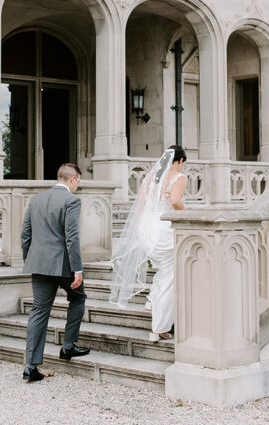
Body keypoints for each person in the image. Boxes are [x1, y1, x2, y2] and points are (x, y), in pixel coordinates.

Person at [20, 162, 90, 382]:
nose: (77, 186)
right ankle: (68, 346)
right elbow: (72, 237)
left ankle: (30, 366)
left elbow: (25, 235)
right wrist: (77, 269)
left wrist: (31, 260)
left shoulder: (36, 200)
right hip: (63, 265)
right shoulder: (71, 200)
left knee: (39, 310)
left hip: (39, 263)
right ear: (72, 180)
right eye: (78, 181)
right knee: (78, 298)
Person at [109, 145, 188, 340]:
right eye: (183, 164)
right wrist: (187, 217)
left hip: (147, 231)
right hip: (164, 230)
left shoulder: (150, 178)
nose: (182, 167)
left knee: (165, 272)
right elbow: (176, 201)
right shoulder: (179, 178)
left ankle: (152, 299)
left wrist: (136, 232)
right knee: (169, 276)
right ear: (180, 161)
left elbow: (140, 207)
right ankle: (159, 327)